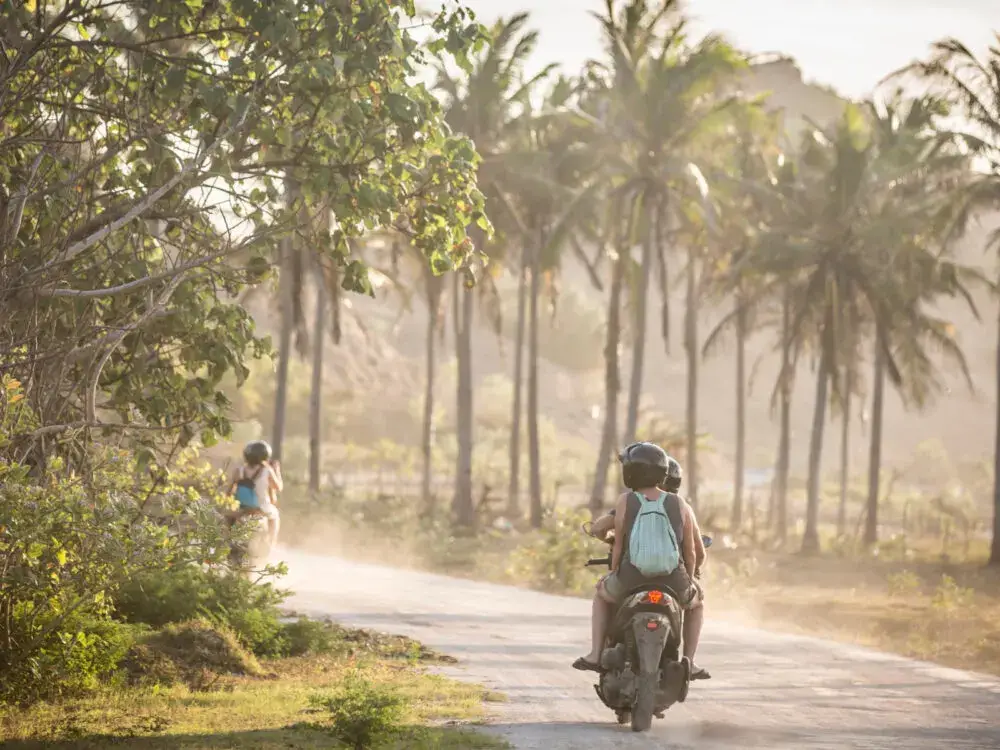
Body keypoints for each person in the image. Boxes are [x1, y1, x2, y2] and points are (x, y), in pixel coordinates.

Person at [573, 442, 710, 680]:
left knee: (601, 594)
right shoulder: (680, 504)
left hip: (631, 577)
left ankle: (595, 654)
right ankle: (690, 660)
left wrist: (614, 572)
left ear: (631, 471)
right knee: (697, 604)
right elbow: (692, 552)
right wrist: (688, 577)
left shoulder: (626, 501)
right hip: (674, 580)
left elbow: (617, 545)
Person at [228, 439, 283, 548]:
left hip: (242, 508)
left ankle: (228, 541)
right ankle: (271, 542)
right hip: (261, 508)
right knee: (275, 516)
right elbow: (278, 487)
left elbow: (229, 492)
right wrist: (276, 470)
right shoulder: (267, 470)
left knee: (229, 520)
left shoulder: (239, 470)